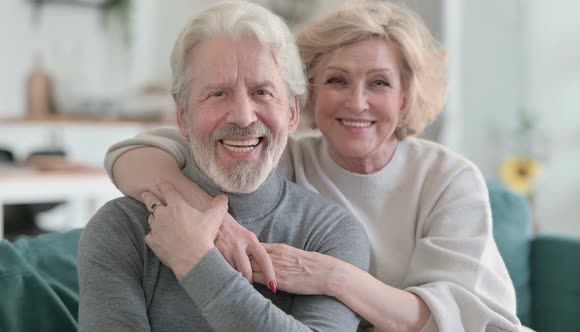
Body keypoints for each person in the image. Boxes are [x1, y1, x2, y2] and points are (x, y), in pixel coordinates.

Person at [104, 2, 521, 331]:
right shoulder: (284, 154)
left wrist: (334, 277)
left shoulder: (447, 178)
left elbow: (453, 320)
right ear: (308, 97)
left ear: (406, 99)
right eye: (337, 81)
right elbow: (136, 154)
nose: (356, 103)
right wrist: (212, 223)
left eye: (379, 83)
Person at [77, 1, 371, 331]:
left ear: (291, 113)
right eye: (218, 93)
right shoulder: (121, 229)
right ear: (182, 116)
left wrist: (197, 265)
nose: (243, 116)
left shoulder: (330, 233)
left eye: (262, 92)